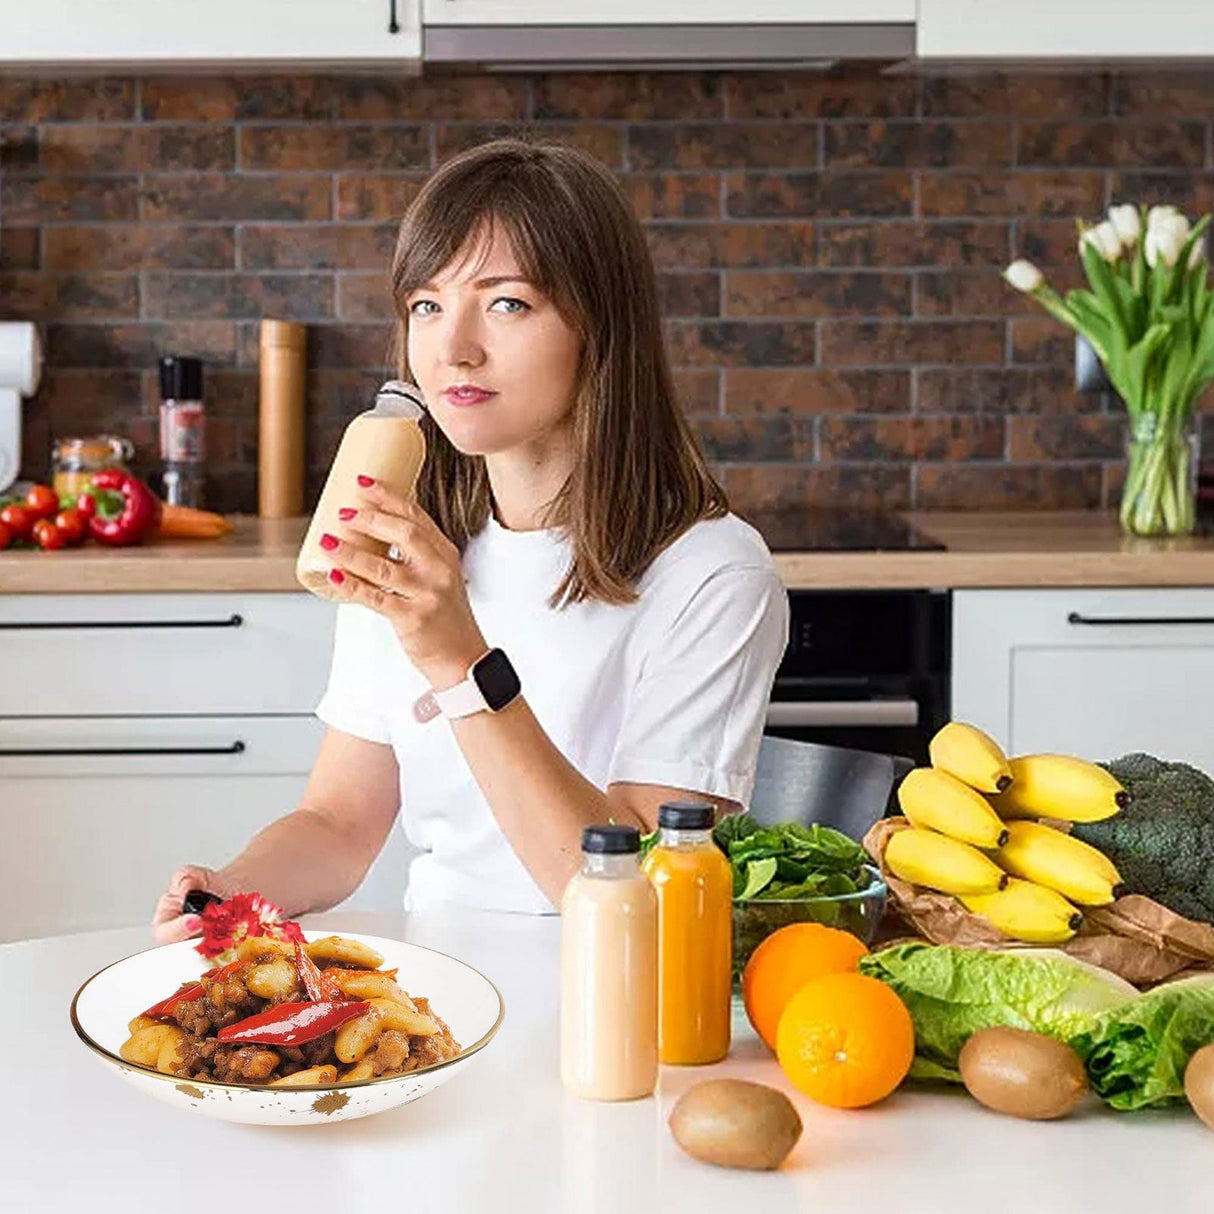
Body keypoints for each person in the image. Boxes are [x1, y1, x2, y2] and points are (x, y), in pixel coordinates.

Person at [153, 138, 789, 944]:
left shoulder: (712, 574)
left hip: (615, 1006)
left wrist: (459, 662)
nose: (452, 347)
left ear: (601, 327)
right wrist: (233, 890)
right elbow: (340, 822)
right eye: (426, 304)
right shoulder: (407, 545)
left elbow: (641, 905)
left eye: (506, 303)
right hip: (436, 991)